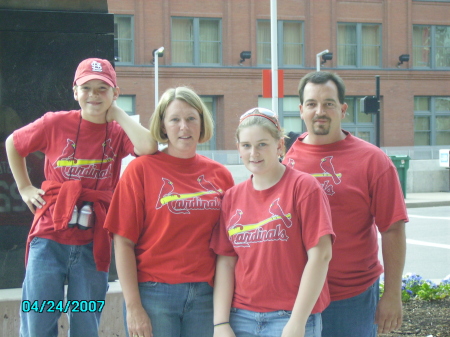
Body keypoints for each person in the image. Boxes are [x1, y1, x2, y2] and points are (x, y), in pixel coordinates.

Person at [5, 57, 158, 337]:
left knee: (85, 323)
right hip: (50, 237)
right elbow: (13, 143)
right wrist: (25, 187)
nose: (94, 95)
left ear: (115, 93)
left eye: (103, 89)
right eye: (87, 88)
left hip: (92, 241)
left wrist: (119, 116)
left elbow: (149, 146)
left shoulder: (117, 132)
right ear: (75, 91)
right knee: (39, 320)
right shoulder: (54, 123)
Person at [283, 71, 408, 336]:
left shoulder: (373, 161)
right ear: (301, 110)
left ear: (343, 108)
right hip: (293, 296)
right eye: (312, 104)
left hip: (352, 297)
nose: (320, 111)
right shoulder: (282, 158)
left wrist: (392, 294)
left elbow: (393, 230)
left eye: (329, 103)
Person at [104, 86, 235, 337]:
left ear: (202, 123)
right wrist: (133, 307)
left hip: (206, 297)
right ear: (163, 126)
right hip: (154, 296)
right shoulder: (140, 170)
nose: (183, 127)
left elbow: (230, 245)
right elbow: (122, 243)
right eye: (174, 119)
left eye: (191, 119)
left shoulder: (221, 175)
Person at [211, 107, 335, 337]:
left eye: (262, 144)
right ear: (238, 148)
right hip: (241, 316)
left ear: (279, 145)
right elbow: (226, 262)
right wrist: (220, 323)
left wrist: (298, 322)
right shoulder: (232, 197)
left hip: (290, 317)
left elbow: (321, 255)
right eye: (246, 145)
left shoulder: (303, 187)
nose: (253, 153)